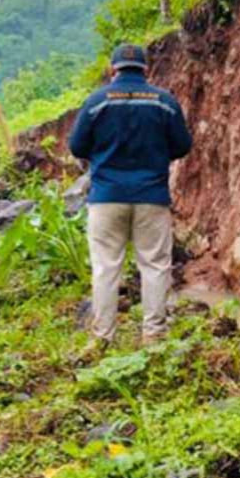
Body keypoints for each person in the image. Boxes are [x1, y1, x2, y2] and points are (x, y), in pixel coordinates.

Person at [69, 43, 192, 348]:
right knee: (154, 265)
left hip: (107, 197)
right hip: (151, 196)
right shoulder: (164, 102)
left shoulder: (96, 102)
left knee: (106, 267)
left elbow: (76, 146)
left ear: (113, 71)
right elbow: (182, 146)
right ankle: (153, 334)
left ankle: (103, 337)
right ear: (146, 70)